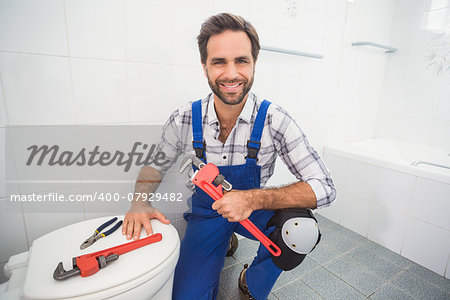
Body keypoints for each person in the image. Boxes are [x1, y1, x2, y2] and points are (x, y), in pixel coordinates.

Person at [122, 13, 336, 300]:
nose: (231, 73)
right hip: (207, 215)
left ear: (254, 64)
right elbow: (155, 164)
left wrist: (251, 199)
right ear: (205, 66)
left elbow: (324, 187)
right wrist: (139, 202)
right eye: (219, 61)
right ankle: (225, 239)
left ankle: (251, 281)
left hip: (254, 212)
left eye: (241, 61)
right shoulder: (185, 118)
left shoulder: (275, 120)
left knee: (301, 230)